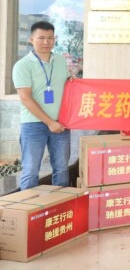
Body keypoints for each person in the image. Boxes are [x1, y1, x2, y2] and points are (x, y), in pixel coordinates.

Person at [12, 21, 71, 190]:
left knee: (62, 169)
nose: (46, 42)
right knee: (30, 171)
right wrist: (50, 122)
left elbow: (67, 85)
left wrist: (73, 82)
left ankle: (61, 204)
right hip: (33, 125)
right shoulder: (22, 65)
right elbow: (26, 98)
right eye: (41, 38)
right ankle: (27, 206)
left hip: (61, 123)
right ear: (31, 39)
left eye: (50, 38)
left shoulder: (60, 60)